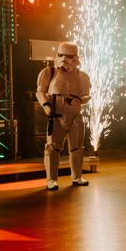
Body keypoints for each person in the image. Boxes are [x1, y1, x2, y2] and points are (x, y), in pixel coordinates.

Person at [36, 42, 91, 190]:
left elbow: (86, 96)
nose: (64, 59)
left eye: (69, 56)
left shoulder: (82, 76)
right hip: (55, 114)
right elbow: (40, 92)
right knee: (52, 148)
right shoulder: (49, 72)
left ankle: (77, 176)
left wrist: (79, 100)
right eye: (61, 55)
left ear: (75, 57)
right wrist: (46, 105)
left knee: (77, 148)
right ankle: (51, 179)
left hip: (75, 115)